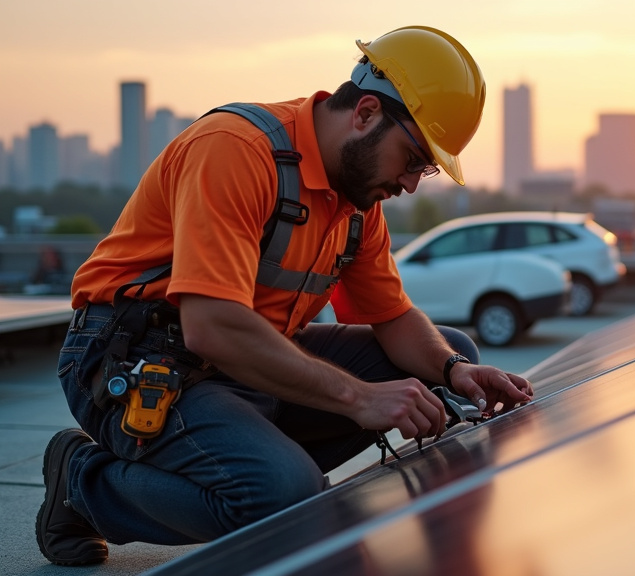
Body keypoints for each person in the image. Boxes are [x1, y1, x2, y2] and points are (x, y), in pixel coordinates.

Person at [37, 26, 533, 566]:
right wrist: (359, 398)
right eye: (413, 159)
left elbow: (392, 318)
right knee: (282, 496)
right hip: (135, 356)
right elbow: (212, 324)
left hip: (243, 362)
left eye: (426, 169)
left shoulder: (356, 205)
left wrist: (455, 368)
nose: (413, 183)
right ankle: (82, 483)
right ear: (365, 113)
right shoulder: (236, 151)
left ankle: (259, 456)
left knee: (442, 363)